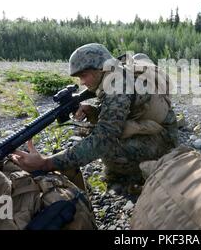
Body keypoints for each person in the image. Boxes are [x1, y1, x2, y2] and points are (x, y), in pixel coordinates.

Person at [11, 43, 178, 192]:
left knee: (110, 153)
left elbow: (103, 140)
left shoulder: (118, 88)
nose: (82, 82)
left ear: (101, 68)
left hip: (165, 137)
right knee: (94, 132)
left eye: (84, 75)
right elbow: (120, 112)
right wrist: (93, 111)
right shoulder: (115, 73)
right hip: (152, 122)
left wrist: (46, 163)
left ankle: (140, 173)